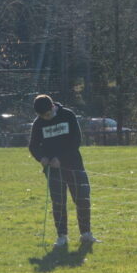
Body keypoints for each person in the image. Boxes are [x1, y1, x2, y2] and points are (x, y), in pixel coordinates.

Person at [28, 94, 98, 247]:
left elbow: (76, 140)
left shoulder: (68, 115)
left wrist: (60, 158)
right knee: (58, 203)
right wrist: (42, 158)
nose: (46, 118)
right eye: (42, 116)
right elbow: (33, 146)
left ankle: (86, 234)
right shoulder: (38, 123)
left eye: (47, 114)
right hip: (53, 171)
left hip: (74, 166)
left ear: (53, 106)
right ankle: (62, 236)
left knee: (82, 199)